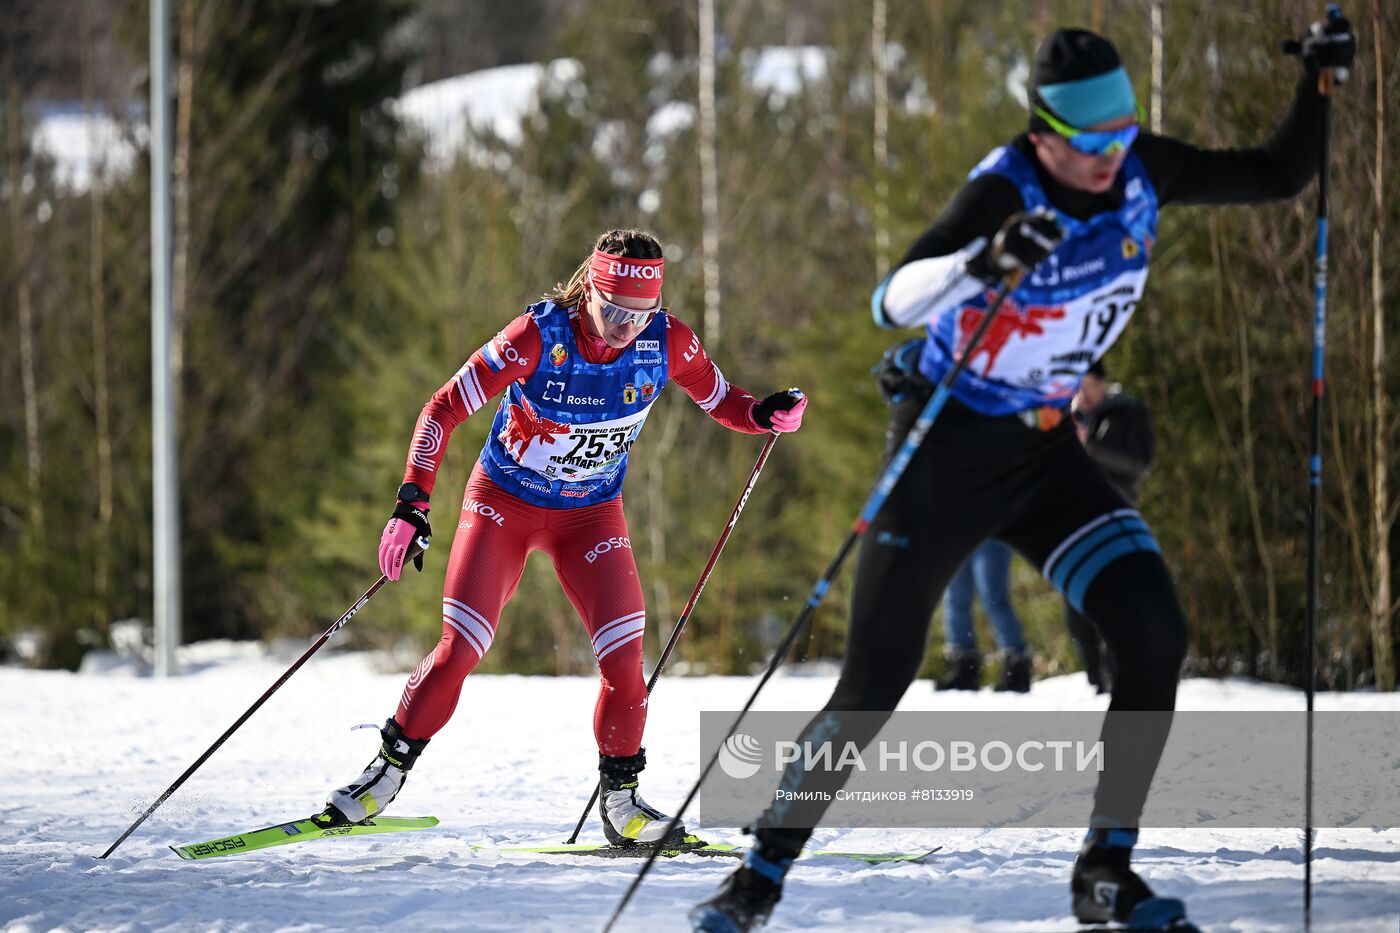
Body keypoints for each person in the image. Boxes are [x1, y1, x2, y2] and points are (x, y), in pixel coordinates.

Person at [692, 18, 1352, 933]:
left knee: (1153, 629)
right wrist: (980, 263)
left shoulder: (1139, 171)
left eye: (1122, 138)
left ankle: (1105, 870)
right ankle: (758, 876)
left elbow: (1276, 174)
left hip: (1045, 456)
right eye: (1088, 146)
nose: (1110, 160)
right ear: (1042, 133)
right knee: (875, 680)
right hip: (945, 452)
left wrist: (1317, 86)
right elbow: (892, 299)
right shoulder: (1005, 190)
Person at [321, 228, 807, 850]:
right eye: (613, 310)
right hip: (504, 504)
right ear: (588, 290)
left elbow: (723, 401)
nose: (626, 326)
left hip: (591, 516)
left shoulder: (667, 344)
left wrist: (765, 413)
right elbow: (441, 409)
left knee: (626, 662)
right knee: (460, 648)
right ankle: (384, 775)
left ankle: (623, 805)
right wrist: (411, 502)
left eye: (642, 313)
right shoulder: (538, 337)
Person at [1067, 360, 1156, 693]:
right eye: (1077, 386)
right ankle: (1097, 679)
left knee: (1115, 602)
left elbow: (1138, 464)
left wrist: (1089, 445)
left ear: (1103, 382)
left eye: (1087, 385)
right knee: (1077, 608)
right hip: (1073, 519)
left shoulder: (1129, 413)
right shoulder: (1069, 415)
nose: (1082, 393)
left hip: (1116, 515)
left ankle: (1119, 676)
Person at [937, 539, 1032, 693]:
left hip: (990, 536)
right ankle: (964, 668)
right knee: (955, 601)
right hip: (956, 534)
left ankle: (1016, 666)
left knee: (993, 598)